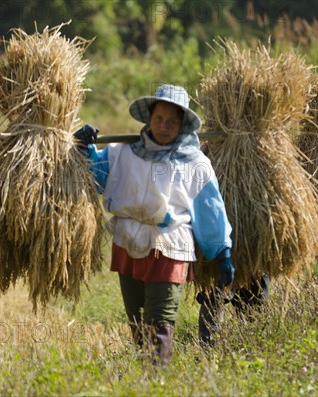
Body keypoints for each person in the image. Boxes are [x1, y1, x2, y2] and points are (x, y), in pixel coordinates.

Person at [74, 84, 235, 366]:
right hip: (128, 242)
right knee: (138, 324)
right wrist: (84, 147)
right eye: (159, 118)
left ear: (182, 125)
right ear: (149, 118)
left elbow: (209, 208)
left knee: (159, 324)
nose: (164, 126)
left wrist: (221, 250)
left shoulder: (195, 163)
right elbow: (97, 177)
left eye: (172, 121)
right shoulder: (122, 152)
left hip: (169, 246)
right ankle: (146, 379)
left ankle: (158, 379)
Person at [194, 141, 270, 347]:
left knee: (253, 294)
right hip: (217, 239)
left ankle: (253, 348)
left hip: (251, 233)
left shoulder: (261, 148)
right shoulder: (206, 154)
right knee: (214, 294)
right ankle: (208, 350)